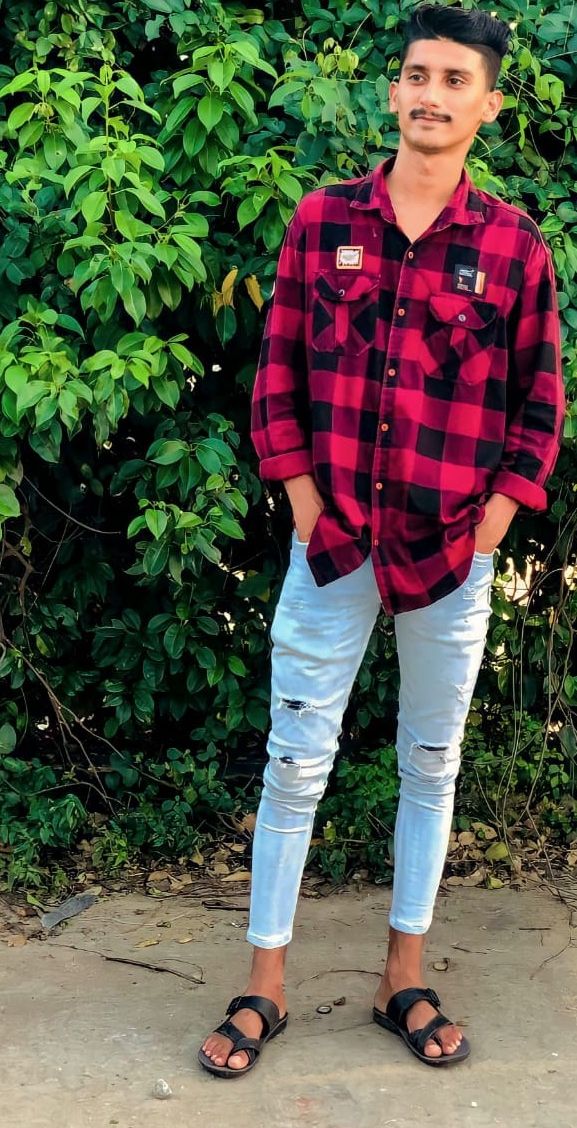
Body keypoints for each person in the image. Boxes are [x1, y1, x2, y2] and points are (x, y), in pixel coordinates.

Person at [199, 2, 565, 1075]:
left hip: (451, 553)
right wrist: (305, 502)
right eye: (416, 75)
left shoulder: (513, 246)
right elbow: (276, 373)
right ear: (392, 89)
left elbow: (539, 402)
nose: (429, 95)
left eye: (454, 80)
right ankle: (264, 982)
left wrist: (493, 523)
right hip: (334, 546)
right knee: (292, 763)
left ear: (487, 106)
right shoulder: (321, 221)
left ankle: (402, 974)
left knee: (430, 764)